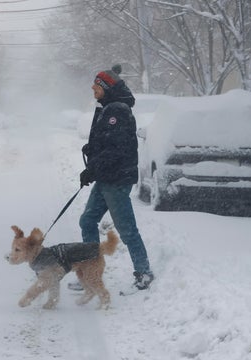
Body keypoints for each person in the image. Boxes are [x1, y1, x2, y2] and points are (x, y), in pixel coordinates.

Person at [69, 64, 154, 293]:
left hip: (116, 180)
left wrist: (93, 167)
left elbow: (117, 149)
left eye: (97, 85)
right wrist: (92, 149)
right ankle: (90, 273)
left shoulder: (118, 110)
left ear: (106, 87)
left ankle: (144, 272)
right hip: (106, 178)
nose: (92, 88)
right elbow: (107, 141)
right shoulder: (110, 108)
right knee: (87, 221)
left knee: (126, 229)